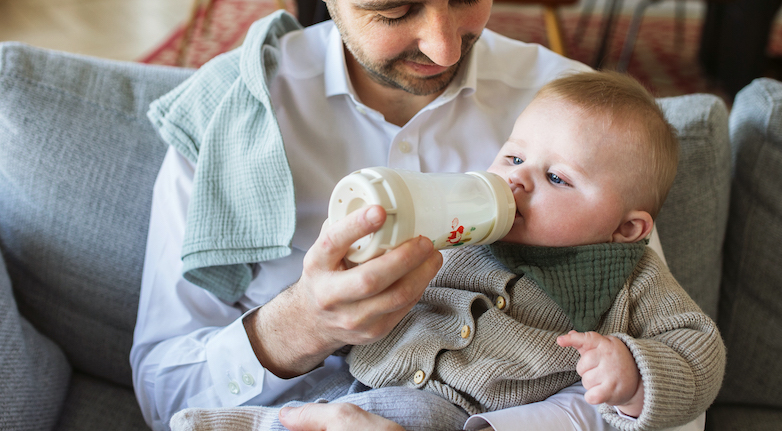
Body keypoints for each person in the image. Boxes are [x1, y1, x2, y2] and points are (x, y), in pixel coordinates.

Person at [129, 0, 703, 430]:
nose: (445, 47)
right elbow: (164, 398)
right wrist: (302, 324)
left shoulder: (578, 121)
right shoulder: (234, 116)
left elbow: (669, 400)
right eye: (396, 11)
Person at [167, 72, 725, 431]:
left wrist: (633, 374)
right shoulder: (469, 230)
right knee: (331, 403)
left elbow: (701, 349)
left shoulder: (633, 278)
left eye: (557, 178)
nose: (521, 181)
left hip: (460, 412)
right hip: (371, 378)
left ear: (627, 229)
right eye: (512, 159)